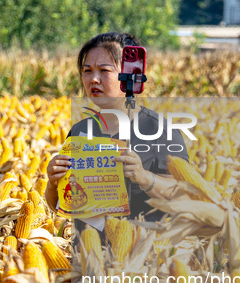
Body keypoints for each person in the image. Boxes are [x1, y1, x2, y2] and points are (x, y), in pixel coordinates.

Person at [45, 32, 189, 231]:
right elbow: (61, 205)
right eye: (87, 71)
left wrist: (143, 177)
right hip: (93, 255)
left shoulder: (159, 130)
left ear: (130, 75)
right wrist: (53, 182)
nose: (94, 79)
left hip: (148, 253)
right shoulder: (80, 131)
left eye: (104, 71)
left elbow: (186, 196)